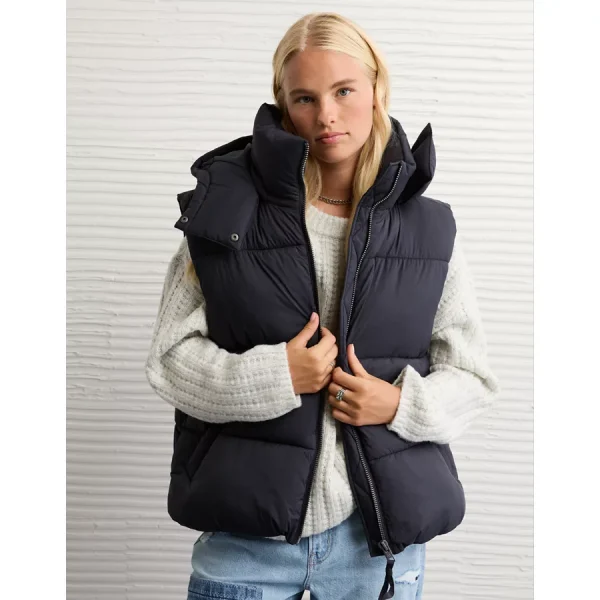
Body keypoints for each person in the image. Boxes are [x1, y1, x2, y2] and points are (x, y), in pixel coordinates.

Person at [145, 11, 500, 600]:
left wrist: (398, 403)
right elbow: (169, 360)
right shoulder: (226, 214)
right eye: (305, 98)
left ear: (376, 89)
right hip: (247, 540)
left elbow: (473, 376)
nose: (326, 115)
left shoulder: (428, 229)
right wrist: (276, 375)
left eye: (344, 91)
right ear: (284, 107)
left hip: (377, 544)